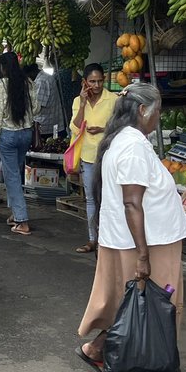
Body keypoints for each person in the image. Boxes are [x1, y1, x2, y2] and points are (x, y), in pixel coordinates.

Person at [76, 82, 186, 372]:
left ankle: (97, 349)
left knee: (133, 304)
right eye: (157, 111)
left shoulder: (120, 141)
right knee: (155, 308)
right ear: (142, 110)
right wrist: (143, 255)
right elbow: (132, 202)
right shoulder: (133, 146)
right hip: (147, 243)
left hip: (131, 240)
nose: (158, 117)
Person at [0, 51, 37, 235]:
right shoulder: (28, 83)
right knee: (16, 173)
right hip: (26, 134)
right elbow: (36, 108)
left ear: (2, 67)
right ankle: (15, 213)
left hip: (7, 136)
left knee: (12, 176)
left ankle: (22, 220)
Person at [69, 64, 117, 254]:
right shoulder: (77, 101)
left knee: (109, 198)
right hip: (88, 157)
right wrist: (82, 104)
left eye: (100, 81)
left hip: (109, 156)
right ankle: (92, 239)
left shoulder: (113, 99)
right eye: (92, 81)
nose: (96, 85)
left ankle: (108, 240)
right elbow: (75, 127)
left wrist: (103, 129)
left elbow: (120, 126)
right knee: (91, 199)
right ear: (84, 82)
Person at [24, 63, 59, 140]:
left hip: (46, 126)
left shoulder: (41, 81)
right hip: (50, 123)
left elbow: (37, 107)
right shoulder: (45, 77)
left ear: (32, 73)